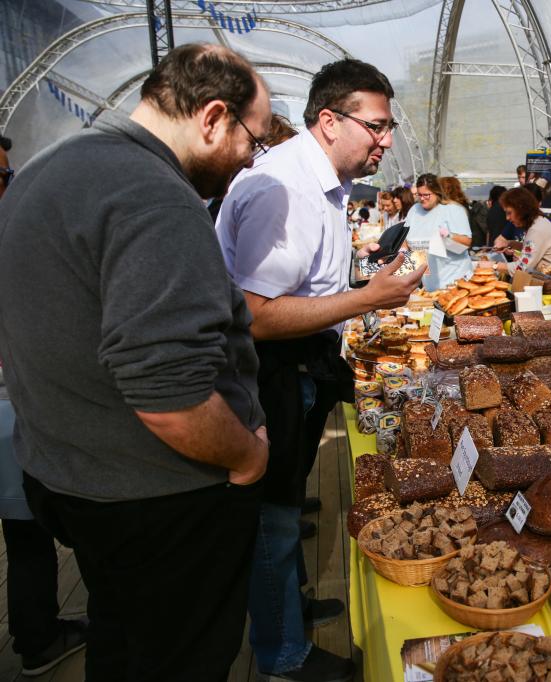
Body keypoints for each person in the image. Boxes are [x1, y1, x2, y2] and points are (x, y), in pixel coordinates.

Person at [0, 43, 271, 681]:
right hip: (158, 503)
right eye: (251, 140)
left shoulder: (46, 169)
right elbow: (169, 394)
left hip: (72, 480)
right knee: (180, 659)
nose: (247, 160)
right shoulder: (155, 196)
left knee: (122, 641)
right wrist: (246, 455)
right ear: (212, 118)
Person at [217, 57, 424, 682]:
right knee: (273, 515)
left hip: (299, 370)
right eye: (377, 126)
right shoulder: (285, 187)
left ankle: (290, 610)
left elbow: (305, 284)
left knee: (282, 509)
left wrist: (358, 288)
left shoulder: (318, 181)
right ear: (329, 121)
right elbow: (254, 314)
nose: (386, 141)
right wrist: (368, 298)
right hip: (268, 375)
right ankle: (281, 652)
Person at [0, 136, 88, 678]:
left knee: (26, 528)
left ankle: (38, 630)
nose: (8, 188)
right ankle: (37, 639)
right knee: (27, 530)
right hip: (12, 402)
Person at [405, 173, 473, 290]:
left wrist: (447, 236)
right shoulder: (414, 210)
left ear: (437, 193)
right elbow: (405, 239)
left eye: (426, 195)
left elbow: (466, 242)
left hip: (455, 281)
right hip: (429, 283)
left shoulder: (454, 210)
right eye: (419, 195)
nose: (422, 199)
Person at [497, 187, 551, 273]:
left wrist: (494, 265)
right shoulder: (537, 223)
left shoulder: (537, 229)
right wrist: (510, 243)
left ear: (521, 209)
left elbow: (522, 267)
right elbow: (533, 249)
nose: (507, 218)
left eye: (509, 213)